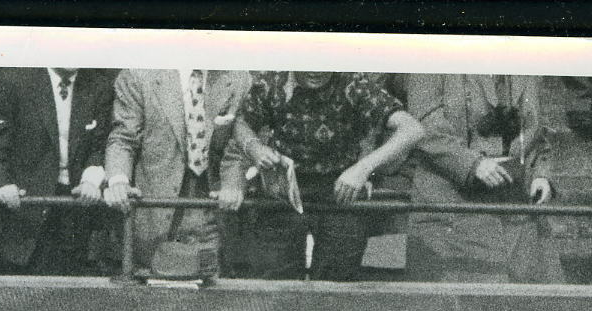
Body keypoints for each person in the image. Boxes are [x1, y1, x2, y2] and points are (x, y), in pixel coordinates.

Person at [219, 72, 424, 281]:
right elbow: (241, 122)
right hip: (284, 194)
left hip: (341, 193)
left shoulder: (354, 84)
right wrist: (254, 147)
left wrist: (363, 169)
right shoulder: (272, 82)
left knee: (335, 285)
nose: (315, 71)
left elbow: (412, 129)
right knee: (275, 283)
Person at [404, 73, 558, 284]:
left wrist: (540, 173)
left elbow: (536, 130)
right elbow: (424, 127)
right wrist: (471, 164)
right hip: (452, 202)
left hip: (516, 205)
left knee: (532, 301)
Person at [104, 66, 251, 276]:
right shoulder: (140, 74)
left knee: (208, 300)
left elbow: (238, 141)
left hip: (210, 216)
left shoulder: (238, 78)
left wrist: (233, 183)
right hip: (154, 215)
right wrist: (118, 180)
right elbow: (123, 138)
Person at [0, 67, 116, 274]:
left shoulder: (99, 87)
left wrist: (90, 179)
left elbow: (100, 146)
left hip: (75, 208)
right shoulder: (13, 80)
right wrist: (2, 184)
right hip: (24, 210)